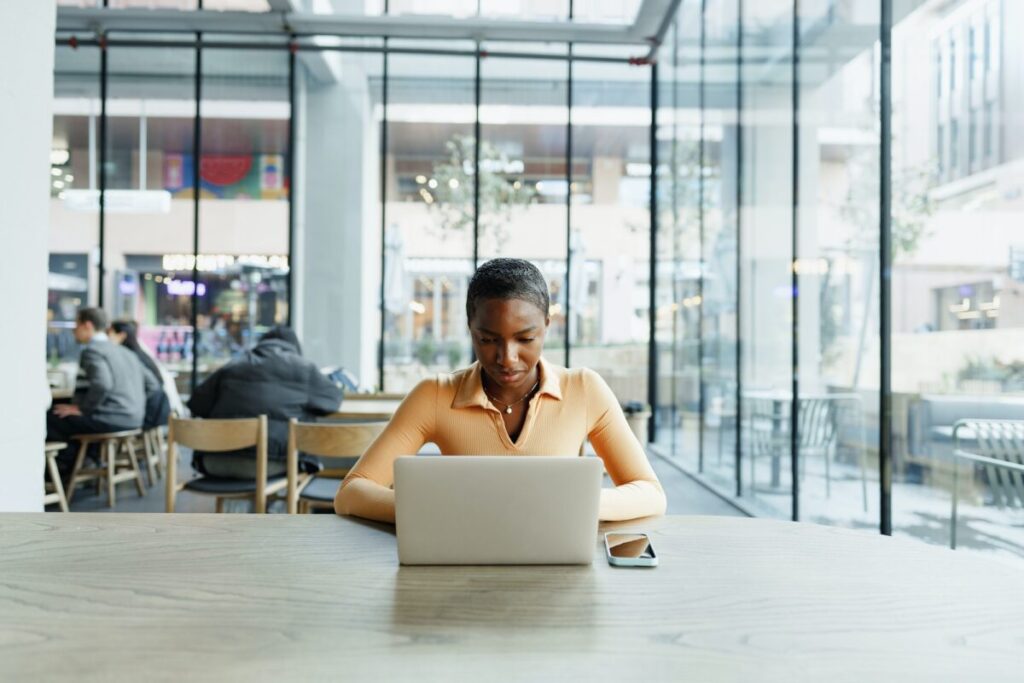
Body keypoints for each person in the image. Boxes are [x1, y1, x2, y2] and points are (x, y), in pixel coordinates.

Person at [335, 258, 667, 523]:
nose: (507, 359)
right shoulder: (434, 395)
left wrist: (574, 507)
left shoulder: (585, 389)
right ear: (470, 330)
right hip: (463, 571)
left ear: (546, 327)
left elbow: (650, 493)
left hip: (556, 572)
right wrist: (436, 512)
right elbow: (352, 492)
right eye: (488, 340)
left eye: (525, 339)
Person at [187, 325, 343, 479]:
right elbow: (334, 399)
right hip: (270, 463)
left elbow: (196, 404)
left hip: (213, 460)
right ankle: (271, 504)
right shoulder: (303, 368)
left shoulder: (233, 365)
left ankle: (250, 503)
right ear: (295, 346)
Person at [47, 307, 160, 477]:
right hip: (135, 419)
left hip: (111, 419)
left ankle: (66, 470)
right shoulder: (125, 351)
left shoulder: (92, 351)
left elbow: (102, 384)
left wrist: (82, 409)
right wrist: (132, 405)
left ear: (87, 325)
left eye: (76, 325)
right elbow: (153, 384)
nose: (73, 331)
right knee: (69, 417)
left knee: (51, 417)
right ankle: (88, 459)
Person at [108, 320, 171, 430]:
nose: (106, 337)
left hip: (147, 414)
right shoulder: (138, 353)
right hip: (158, 410)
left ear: (121, 336)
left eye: (109, 333)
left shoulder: (130, 357)